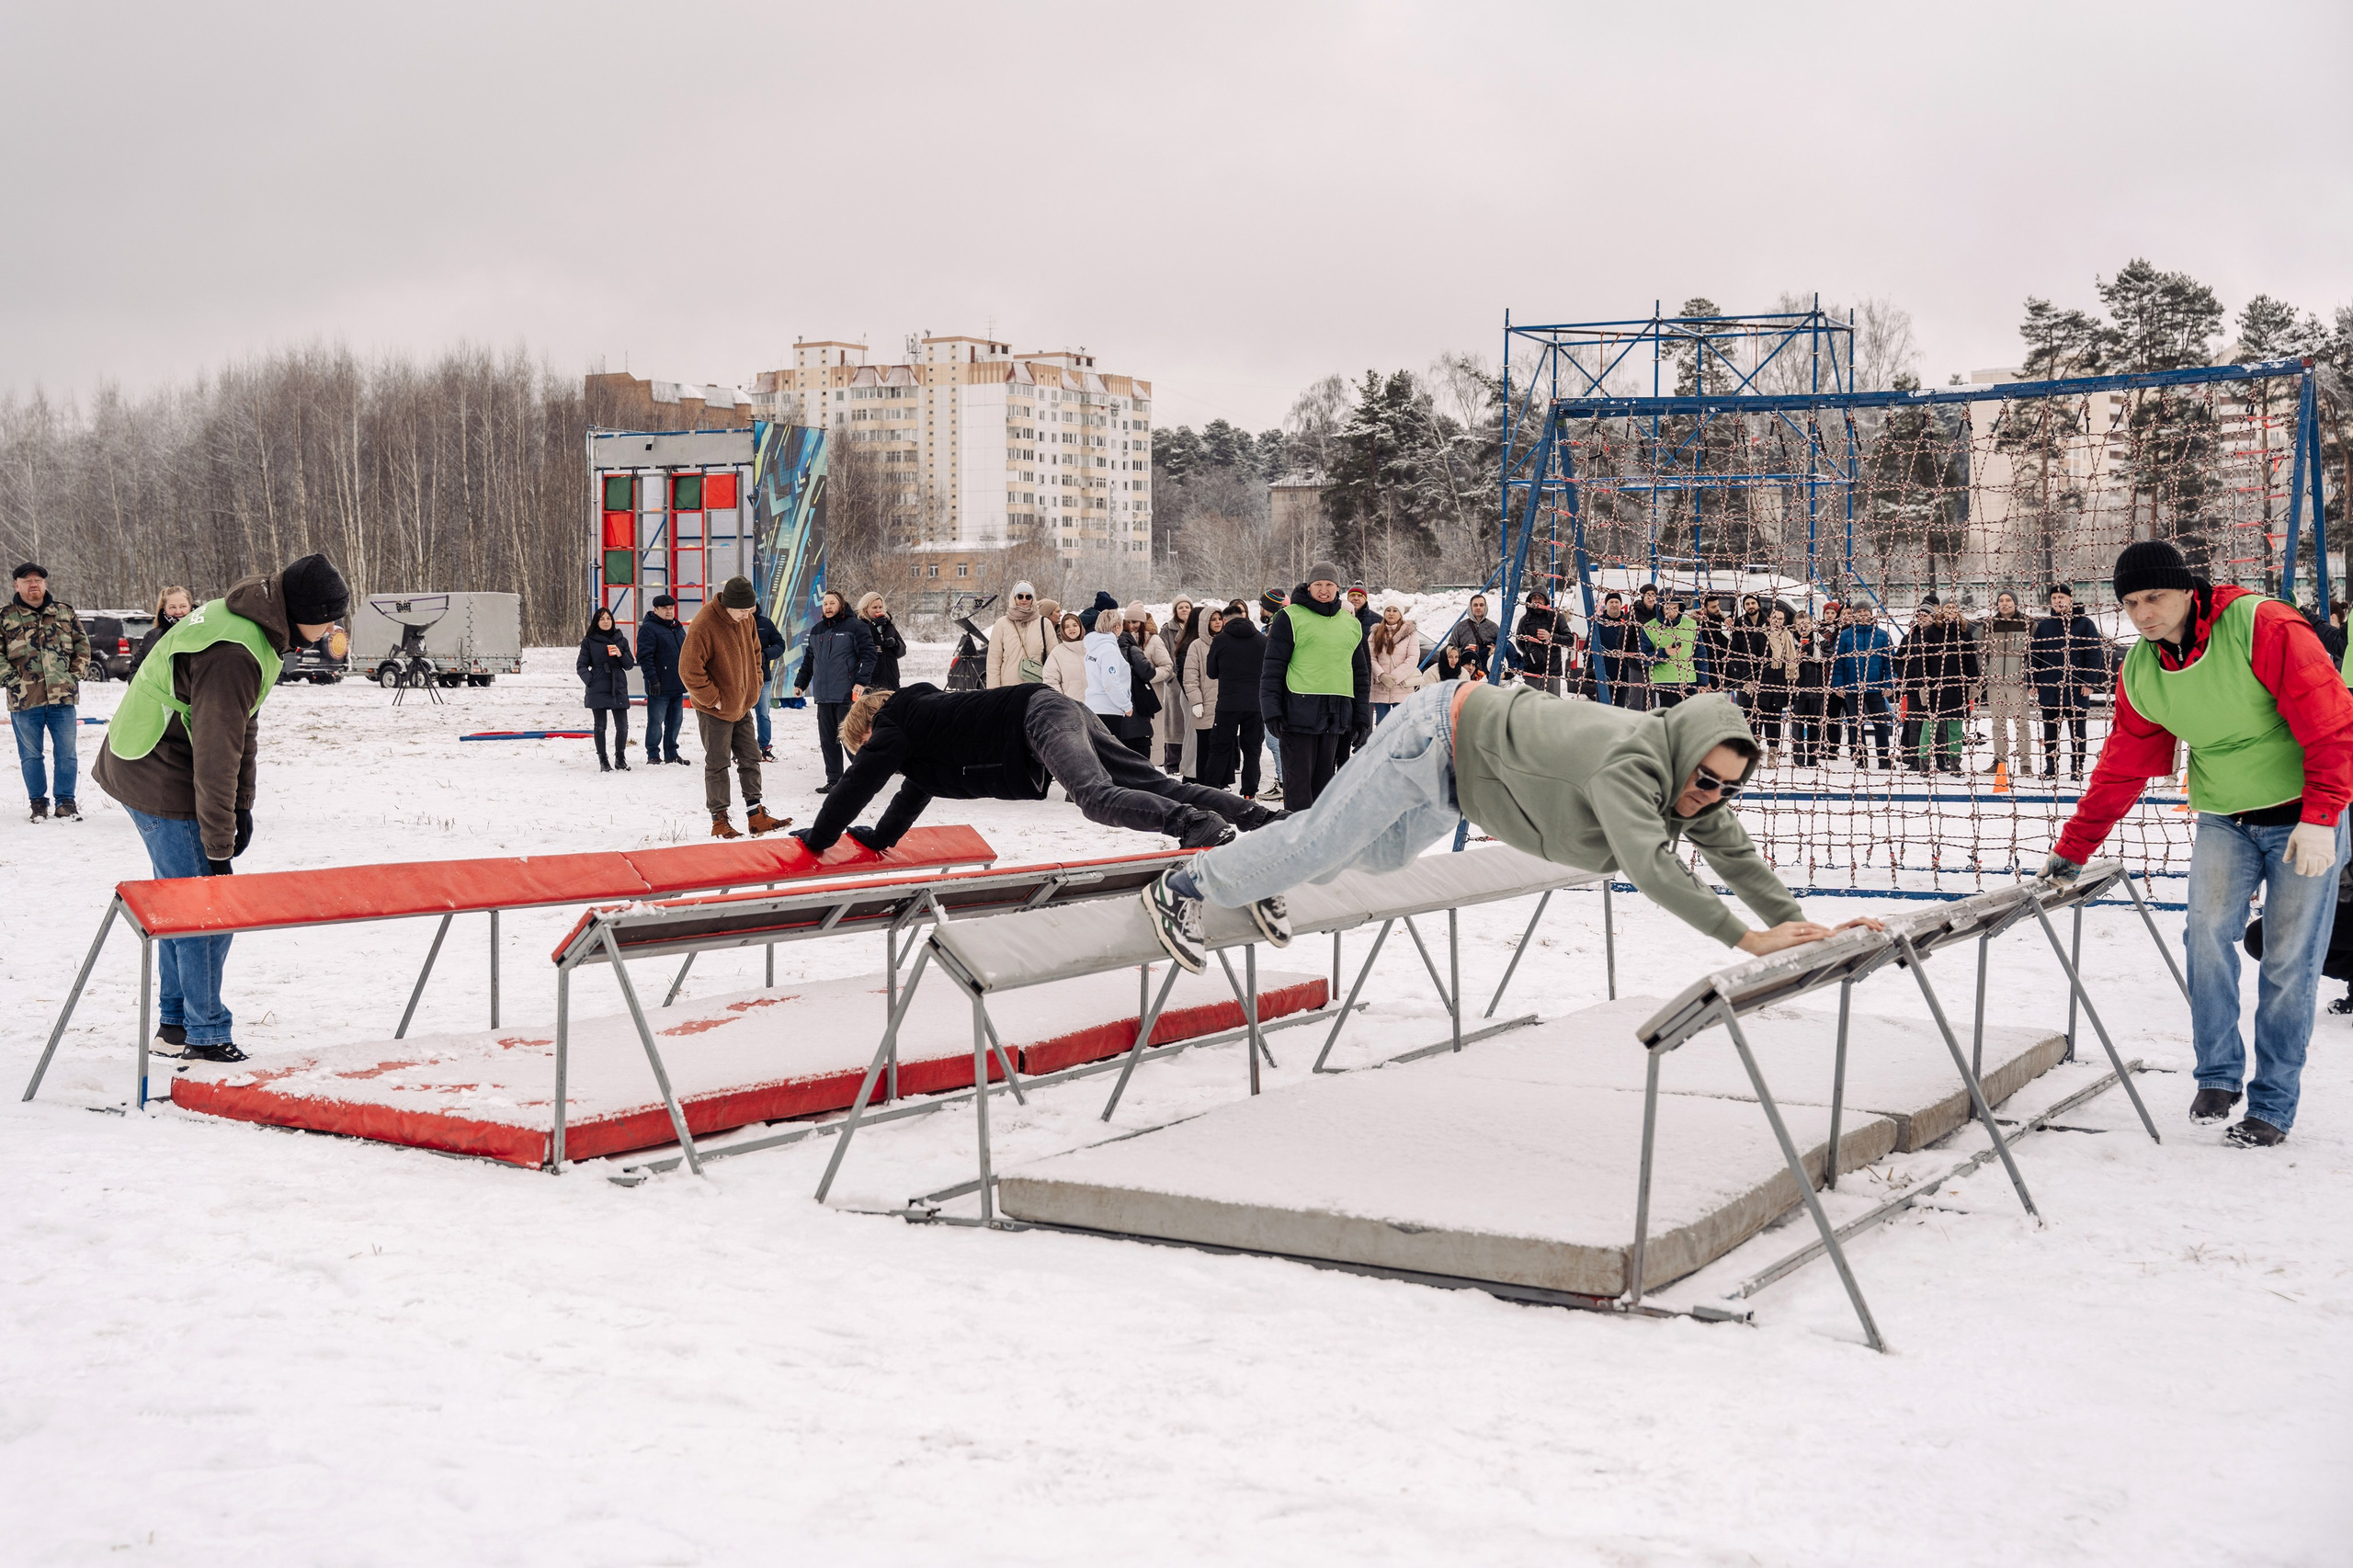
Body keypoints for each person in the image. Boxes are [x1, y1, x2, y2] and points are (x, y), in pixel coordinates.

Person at [1141, 678, 1872, 971]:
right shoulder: (1635, 766)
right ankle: (1188, 883)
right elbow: (1654, 868)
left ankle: (1258, 874)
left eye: (1725, 788)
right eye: (1704, 779)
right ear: (1682, 755)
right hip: (1433, 736)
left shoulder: (1695, 791)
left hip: (1461, 781)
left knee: (1373, 856)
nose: (1709, 797)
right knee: (1323, 839)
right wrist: (1746, 938)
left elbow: (1738, 859)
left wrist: (1798, 924)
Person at [2047, 540, 2353, 1149]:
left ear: (2189, 589)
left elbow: (2331, 720)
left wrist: (2322, 817)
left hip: (2304, 817)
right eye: (2131, 602)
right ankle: (2217, 1074)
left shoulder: (2262, 625)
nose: (2143, 612)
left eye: (2154, 596)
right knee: (2205, 935)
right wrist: (2075, 846)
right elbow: (2121, 766)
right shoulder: (2143, 669)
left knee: (2290, 961)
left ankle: (2272, 1103)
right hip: (2224, 816)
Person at [91, 552, 349, 1062]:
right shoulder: (235, 650)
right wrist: (218, 843)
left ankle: (175, 1025)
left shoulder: (261, 625)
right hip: (156, 766)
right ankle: (206, 1034)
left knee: (180, 903)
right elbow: (216, 753)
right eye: (327, 617)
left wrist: (242, 805)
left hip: (166, 757)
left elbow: (242, 724)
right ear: (300, 608)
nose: (332, 629)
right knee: (208, 910)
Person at [795, 683, 1278, 860]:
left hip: (1036, 717)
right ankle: (1256, 818)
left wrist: (818, 840)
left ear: (865, 732)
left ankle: (1195, 825)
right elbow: (911, 794)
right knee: (1154, 782)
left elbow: (857, 784)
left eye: (860, 748)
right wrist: (879, 840)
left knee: (1094, 797)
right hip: (1051, 707)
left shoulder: (894, 724)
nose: (865, 756)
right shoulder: (921, 738)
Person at [682, 575, 788, 838]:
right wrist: (714, 699)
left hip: (742, 705)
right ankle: (719, 820)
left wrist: (754, 687)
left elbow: (755, 654)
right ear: (728, 605)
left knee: (751, 757)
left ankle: (756, 815)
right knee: (718, 763)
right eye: (742, 610)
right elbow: (689, 670)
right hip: (714, 710)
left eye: (750, 610)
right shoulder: (704, 623)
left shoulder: (747, 620)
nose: (747, 615)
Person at [1261, 562, 1372, 812]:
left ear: (1337, 588)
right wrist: (1271, 710)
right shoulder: (1290, 617)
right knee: (1299, 786)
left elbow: (1361, 674)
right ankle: (1295, 841)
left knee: (1325, 788)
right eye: (1318, 584)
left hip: (1336, 715)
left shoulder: (1350, 623)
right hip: (1297, 713)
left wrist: (1362, 717)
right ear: (1309, 586)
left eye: (1329, 585)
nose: (1324, 590)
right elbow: (1272, 668)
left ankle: (1320, 842)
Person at [5, 562, 92, 823]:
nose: (33, 584)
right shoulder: (5, 616)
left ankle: (66, 802)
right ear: (16, 585)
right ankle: (38, 804)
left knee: (66, 752)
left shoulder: (64, 612)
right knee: (31, 754)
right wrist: (10, 679)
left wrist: (74, 675)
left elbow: (82, 645)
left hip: (62, 698)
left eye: (38, 579)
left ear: (44, 583)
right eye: (27, 579)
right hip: (24, 699)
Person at [792, 588, 877, 791]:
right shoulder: (817, 630)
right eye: (825, 604)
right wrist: (800, 683)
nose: (828, 607)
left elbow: (869, 655)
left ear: (841, 604)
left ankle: (864, 779)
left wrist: (860, 681)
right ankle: (834, 781)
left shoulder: (855, 626)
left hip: (846, 694)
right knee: (828, 740)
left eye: (832, 603)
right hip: (823, 695)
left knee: (850, 738)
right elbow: (809, 661)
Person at [2030, 584, 2106, 779]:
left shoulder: (2084, 624)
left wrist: (2089, 682)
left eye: (2061, 597)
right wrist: (2033, 681)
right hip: (2049, 688)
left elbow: (2094, 654)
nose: (2058, 601)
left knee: (2077, 731)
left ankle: (2077, 768)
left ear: (2071, 599)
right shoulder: (2044, 626)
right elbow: (2035, 656)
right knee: (2050, 732)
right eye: (2054, 598)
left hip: (2076, 688)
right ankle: (2050, 767)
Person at [1903, 596, 1978, 774]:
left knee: (1955, 728)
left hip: (1957, 688)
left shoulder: (1964, 634)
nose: (1950, 611)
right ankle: (1924, 763)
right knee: (1929, 728)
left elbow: (1970, 660)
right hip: (1936, 687)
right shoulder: (1931, 633)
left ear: (1958, 611)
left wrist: (1973, 682)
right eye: (1947, 608)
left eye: (1953, 608)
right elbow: (1922, 661)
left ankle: (1955, 764)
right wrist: (1923, 684)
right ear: (1941, 611)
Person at [1206, 599, 1267, 798]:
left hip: (1228, 704)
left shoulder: (1220, 640)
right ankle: (1249, 792)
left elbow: (1211, 672)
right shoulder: (1261, 640)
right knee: (1252, 750)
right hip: (1255, 705)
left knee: (1220, 748)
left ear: (1225, 621)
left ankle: (1212, 790)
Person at [1832, 603, 1896, 767]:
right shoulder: (1845, 636)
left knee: (1880, 723)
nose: (1862, 614)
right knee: (1855, 724)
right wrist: (1838, 685)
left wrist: (1889, 684)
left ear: (1871, 614)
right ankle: (1861, 757)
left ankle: (1883, 758)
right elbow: (1838, 663)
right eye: (1859, 612)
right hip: (1852, 687)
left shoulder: (1882, 635)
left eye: (1865, 611)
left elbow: (1890, 663)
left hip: (1875, 688)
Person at [1978, 590, 2034, 776]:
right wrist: (1985, 673)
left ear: (2015, 603)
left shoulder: (2028, 624)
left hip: (2018, 683)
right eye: (2001, 600)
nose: (2004, 604)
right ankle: (1999, 762)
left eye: (2008, 600)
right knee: (1997, 724)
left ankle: (2025, 763)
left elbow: (2034, 654)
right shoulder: (1989, 625)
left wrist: (2028, 677)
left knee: (2022, 724)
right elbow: (1980, 652)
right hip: (1995, 683)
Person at [576, 607, 635, 772]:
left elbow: (629, 664)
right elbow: (581, 665)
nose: (606, 621)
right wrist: (591, 680)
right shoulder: (589, 641)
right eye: (602, 619)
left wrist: (620, 654)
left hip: (618, 685)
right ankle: (603, 760)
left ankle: (620, 758)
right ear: (597, 621)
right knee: (600, 726)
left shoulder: (621, 640)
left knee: (623, 726)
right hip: (598, 685)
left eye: (608, 618)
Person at [637, 594, 689, 767]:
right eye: (665, 608)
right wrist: (652, 679)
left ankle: (671, 753)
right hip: (659, 685)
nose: (669, 611)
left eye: (671, 608)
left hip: (677, 683)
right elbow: (645, 656)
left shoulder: (677, 627)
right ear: (656, 610)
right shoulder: (649, 628)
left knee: (675, 721)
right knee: (656, 722)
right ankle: (653, 754)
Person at [1178, 603, 1222, 782]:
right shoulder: (1194, 645)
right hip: (1198, 699)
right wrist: (1195, 700)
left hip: (1217, 701)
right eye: (1213, 619)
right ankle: (1194, 777)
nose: (1218, 622)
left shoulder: (1222, 641)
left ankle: (1215, 780)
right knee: (1197, 741)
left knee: (1216, 744)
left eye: (1220, 619)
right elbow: (1189, 676)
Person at [1754, 606, 1799, 766]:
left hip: (1780, 684)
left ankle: (1773, 754)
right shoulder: (1759, 636)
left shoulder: (1788, 637)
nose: (1777, 621)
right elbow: (1752, 659)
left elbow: (1792, 662)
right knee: (1758, 720)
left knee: (1774, 721)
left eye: (1780, 619)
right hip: (1762, 684)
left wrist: (1791, 684)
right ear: (1768, 619)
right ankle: (1756, 754)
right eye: (1774, 618)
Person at [1590, 592, 1649, 710]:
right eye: (1611, 602)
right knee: (1602, 709)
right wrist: (1589, 668)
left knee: (1619, 709)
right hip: (1604, 673)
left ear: (1621, 605)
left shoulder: (1628, 622)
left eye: (1617, 602)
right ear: (1606, 605)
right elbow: (1590, 646)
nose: (1614, 605)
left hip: (1623, 674)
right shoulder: (1598, 623)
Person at [985, 582, 1049, 687]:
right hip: (1008, 688)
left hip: (1037, 688)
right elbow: (993, 661)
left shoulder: (1044, 623)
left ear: (1033, 599)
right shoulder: (1002, 624)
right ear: (1014, 598)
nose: (1024, 600)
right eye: (1020, 596)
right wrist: (994, 691)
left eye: (1028, 597)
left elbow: (1054, 658)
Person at [1788, 610, 1830, 767]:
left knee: (1814, 727)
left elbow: (1830, 657)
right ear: (1795, 626)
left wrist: (1814, 653)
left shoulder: (1820, 641)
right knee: (1797, 727)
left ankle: (1813, 760)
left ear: (1812, 625)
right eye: (1799, 625)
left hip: (1816, 689)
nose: (1803, 628)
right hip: (1797, 690)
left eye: (1806, 624)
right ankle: (1798, 761)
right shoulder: (1790, 641)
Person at [1642, 597, 1699, 708]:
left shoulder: (1691, 625)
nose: (1671, 612)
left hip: (1688, 683)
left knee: (1688, 721)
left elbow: (1700, 655)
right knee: (1665, 721)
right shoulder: (1648, 628)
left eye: (1674, 608)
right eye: (1667, 608)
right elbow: (1644, 658)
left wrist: (1702, 683)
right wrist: (1665, 653)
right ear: (1661, 608)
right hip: (1663, 685)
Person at [1158, 597, 1194, 769]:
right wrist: (1170, 677)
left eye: (1187, 607)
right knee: (1174, 723)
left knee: (1192, 722)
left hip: (1194, 681)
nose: (1185, 610)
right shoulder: (1167, 630)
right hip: (1175, 684)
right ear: (1175, 610)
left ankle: (1190, 761)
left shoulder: (1196, 628)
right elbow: (1161, 655)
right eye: (1181, 607)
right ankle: (1173, 763)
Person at [1368, 604, 1420, 722]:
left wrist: (1393, 678)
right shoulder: (1375, 634)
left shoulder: (1410, 634)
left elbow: (1412, 658)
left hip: (1402, 688)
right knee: (1382, 726)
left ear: (1400, 614)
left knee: (1400, 727)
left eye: (1395, 610)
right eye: (1388, 610)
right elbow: (1371, 658)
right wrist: (1382, 676)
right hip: (1380, 687)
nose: (1391, 613)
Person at [129, 585, 195, 676]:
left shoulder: (203, 631)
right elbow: (135, 669)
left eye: (183, 606)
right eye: (172, 607)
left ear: (190, 606)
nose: (178, 611)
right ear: (164, 608)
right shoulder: (153, 637)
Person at [1513, 588, 1567, 697]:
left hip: (1552, 670)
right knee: (1530, 704)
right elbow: (1519, 642)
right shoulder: (1525, 620)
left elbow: (1569, 640)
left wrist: (1551, 637)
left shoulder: (1557, 617)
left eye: (1540, 597)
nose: (1537, 600)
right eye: (1534, 598)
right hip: (1531, 669)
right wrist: (1531, 653)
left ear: (1546, 600)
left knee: (1552, 705)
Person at [753, 604, 786, 762]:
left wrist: (765, 655)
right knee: (738, 716)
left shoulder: (765, 623)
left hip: (762, 678)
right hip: (738, 679)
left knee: (763, 714)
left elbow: (780, 645)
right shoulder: (734, 621)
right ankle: (740, 750)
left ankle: (765, 748)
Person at [1440, 595, 1498, 683]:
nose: (1478, 607)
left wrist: (1494, 650)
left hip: (1487, 675)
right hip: (1464, 674)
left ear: (1485, 607)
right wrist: (1463, 650)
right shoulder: (1460, 627)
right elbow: (1449, 650)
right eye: (1475, 605)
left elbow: (1503, 650)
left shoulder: (1494, 627)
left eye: (1481, 605)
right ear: (1470, 607)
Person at [858, 592, 905, 691]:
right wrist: (874, 625)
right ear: (865, 608)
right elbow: (859, 642)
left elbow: (903, 651)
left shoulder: (888, 625)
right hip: (872, 681)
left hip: (891, 680)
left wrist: (895, 644)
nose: (878, 610)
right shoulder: (860, 625)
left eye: (880, 607)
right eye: (874, 607)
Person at [1044, 610, 1089, 699]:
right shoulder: (1057, 652)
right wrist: (1062, 701)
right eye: (1067, 626)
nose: (1071, 629)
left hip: (1095, 706)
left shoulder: (1091, 649)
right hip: (1071, 706)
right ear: (1063, 630)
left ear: (1080, 627)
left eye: (1075, 625)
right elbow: (1050, 680)